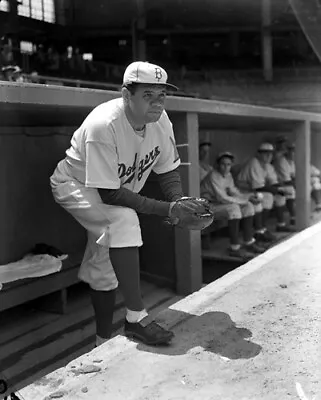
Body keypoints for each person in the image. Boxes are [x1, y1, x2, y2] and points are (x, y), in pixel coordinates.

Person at [50, 61, 208, 347]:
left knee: (105, 263)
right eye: (148, 95)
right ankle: (136, 318)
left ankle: (101, 340)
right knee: (123, 220)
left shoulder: (160, 120)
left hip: (113, 190)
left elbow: (167, 168)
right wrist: (169, 210)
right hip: (77, 185)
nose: (157, 103)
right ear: (126, 95)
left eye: (162, 95)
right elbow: (110, 195)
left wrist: (178, 199)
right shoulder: (104, 125)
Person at [201, 151, 266, 260]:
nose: (226, 167)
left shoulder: (228, 175)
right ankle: (234, 248)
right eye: (223, 164)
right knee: (234, 209)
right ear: (217, 164)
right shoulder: (213, 175)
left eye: (228, 164)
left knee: (248, 206)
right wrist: (244, 200)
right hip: (206, 206)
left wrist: (248, 197)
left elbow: (234, 191)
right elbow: (222, 198)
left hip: (218, 204)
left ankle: (248, 242)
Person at [236, 142, 295, 236]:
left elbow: (273, 183)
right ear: (259, 154)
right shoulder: (254, 162)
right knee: (267, 197)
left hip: (255, 190)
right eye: (265, 153)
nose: (269, 156)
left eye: (271, 153)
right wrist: (278, 190)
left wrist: (280, 190)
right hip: (242, 191)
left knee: (280, 196)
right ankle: (259, 230)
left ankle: (280, 224)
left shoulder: (267, 165)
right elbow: (258, 186)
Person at [286, 143, 321, 212]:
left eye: (295, 151)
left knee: (315, 181)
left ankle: (318, 205)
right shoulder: (287, 162)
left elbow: (317, 172)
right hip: (292, 184)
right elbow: (289, 177)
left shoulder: (303, 162)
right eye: (292, 150)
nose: (294, 153)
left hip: (304, 184)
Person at [272, 136, 296, 225]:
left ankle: (294, 217)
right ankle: (282, 223)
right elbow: (286, 179)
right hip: (275, 183)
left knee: (291, 190)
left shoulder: (288, 159)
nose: (282, 145)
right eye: (280, 143)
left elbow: (293, 175)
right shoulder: (279, 158)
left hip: (281, 183)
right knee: (288, 191)